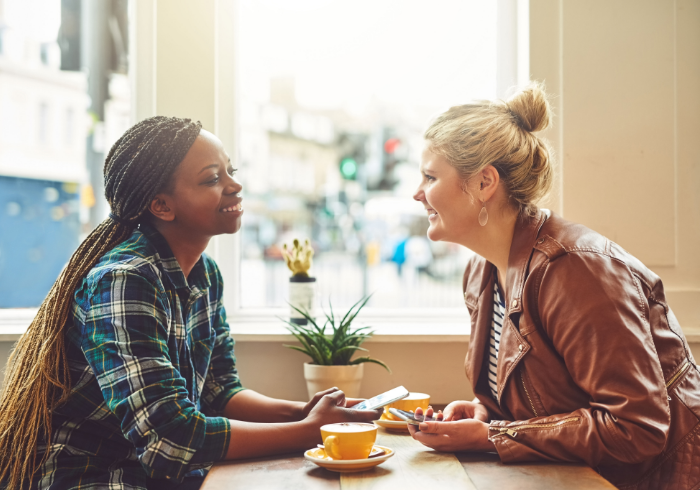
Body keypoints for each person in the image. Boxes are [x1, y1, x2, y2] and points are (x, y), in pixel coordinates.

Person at [0, 116, 382, 490]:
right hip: (95, 475)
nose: (235, 185)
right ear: (162, 206)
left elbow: (219, 392)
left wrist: (305, 411)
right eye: (212, 178)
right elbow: (170, 439)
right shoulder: (126, 279)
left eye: (230, 171)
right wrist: (307, 432)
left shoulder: (205, 275)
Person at [409, 83, 700, 490]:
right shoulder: (482, 271)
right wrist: (483, 414)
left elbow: (637, 428)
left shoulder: (576, 270)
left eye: (429, 176)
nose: (417, 193)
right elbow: (547, 399)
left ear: (484, 183)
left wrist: (493, 436)